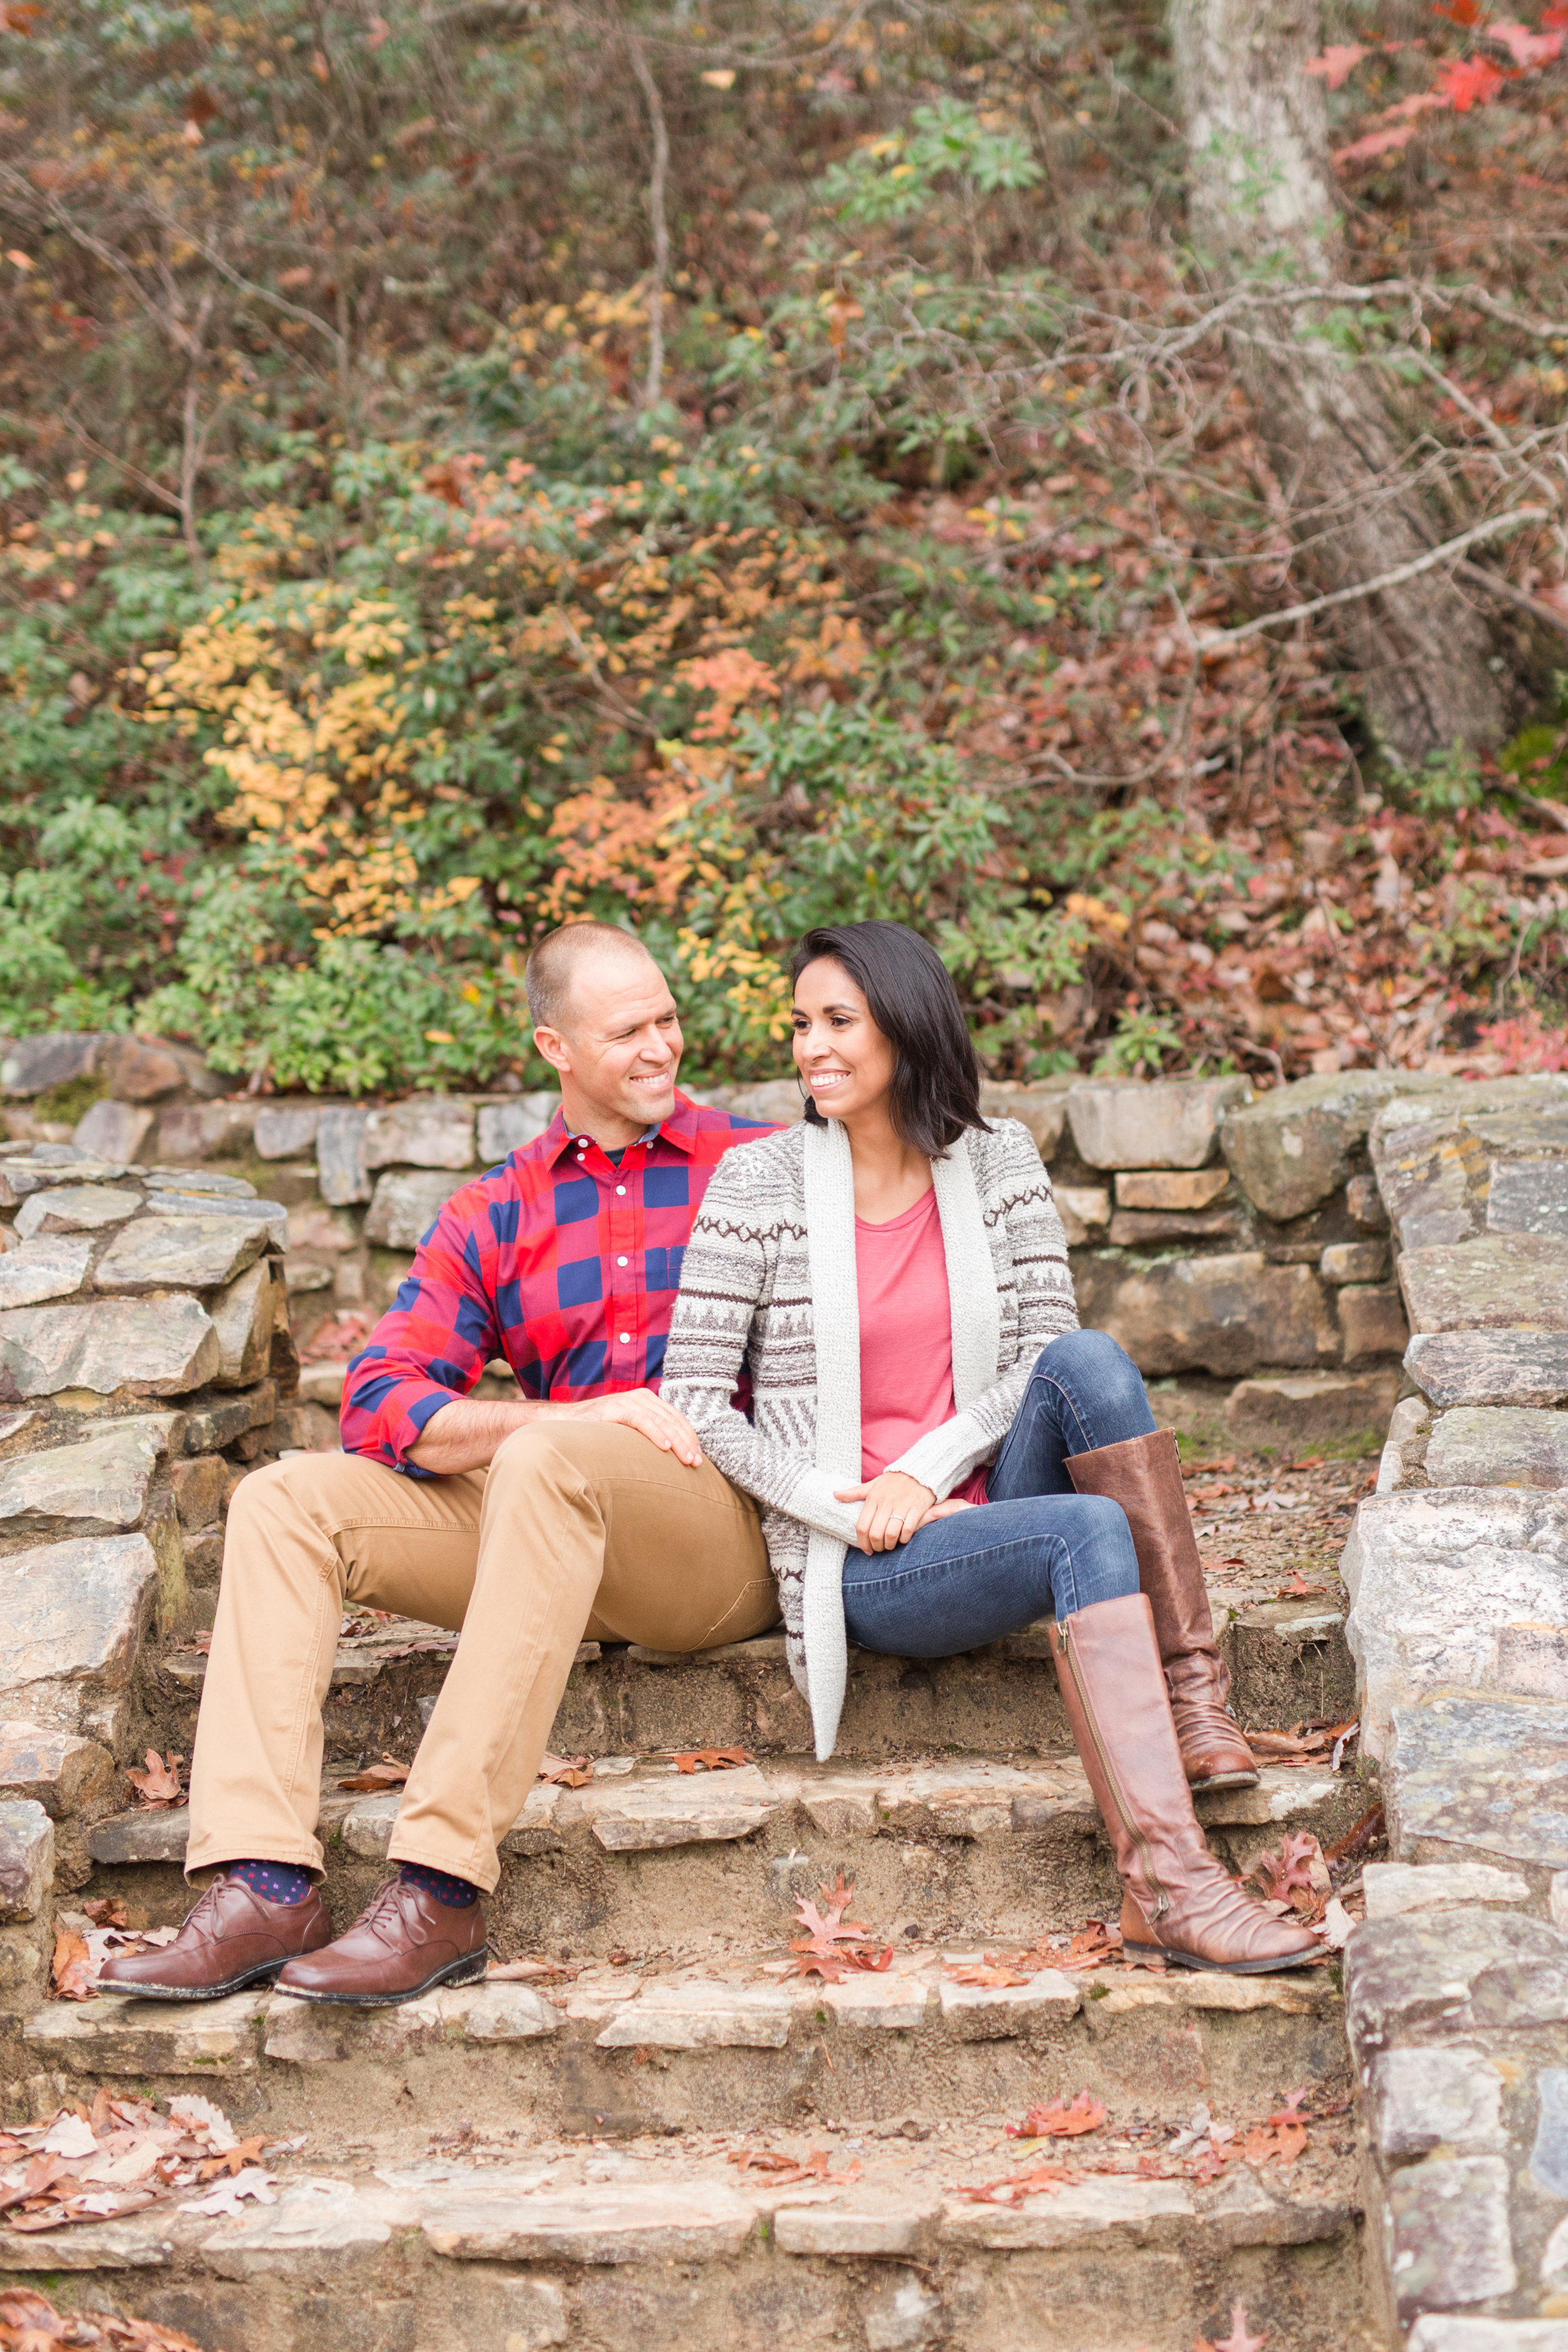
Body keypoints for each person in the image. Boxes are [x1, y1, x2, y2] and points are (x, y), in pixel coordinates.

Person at [101, 921, 780, 2008]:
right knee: (285, 1499)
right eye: (629, 1030)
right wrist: (568, 1414)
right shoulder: (499, 1208)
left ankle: (439, 1885)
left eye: (669, 1018)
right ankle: (267, 1882)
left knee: (552, 1452)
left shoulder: (759, 1167)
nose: (663, 1047)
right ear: (555, 1048)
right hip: (544, 1523)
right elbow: (379, 1397)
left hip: (716, 1539)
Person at [660, 919, 1317, 1973]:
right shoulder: (758, 1183)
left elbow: (1041, 1353)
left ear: (909, 1028)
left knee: (1090, 1357)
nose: (810, 1047)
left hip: (974, 1487)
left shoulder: (998, 1156)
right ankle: (1170, 1884)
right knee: (1085, 1528)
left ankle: (1195, 1702)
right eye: (799, 1024)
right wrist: (849, 1502)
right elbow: (693, 1396)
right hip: (868, 1554)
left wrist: (929, 1467)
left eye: (839, 1021)